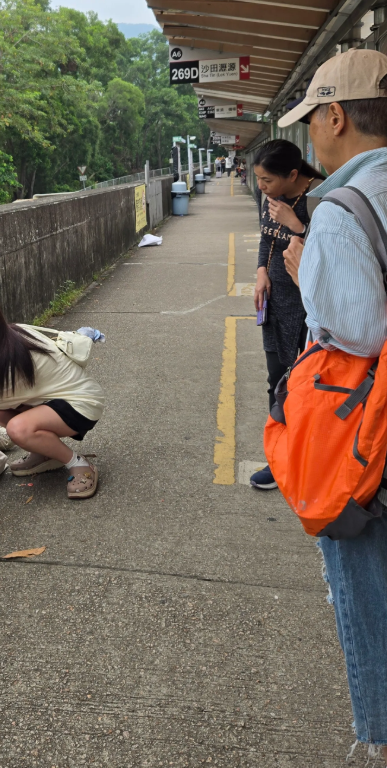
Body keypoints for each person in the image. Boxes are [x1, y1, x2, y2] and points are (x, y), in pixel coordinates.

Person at [278, 48, 387, 762]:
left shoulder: (342, 213)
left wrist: (302, 270)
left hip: (370, 445)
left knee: (369, 599)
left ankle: (377, 735)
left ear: (335, 116)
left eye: (314, 119)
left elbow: (360, 331)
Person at [0, 294, 104, 499]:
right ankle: (45, 453)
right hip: (63, 399)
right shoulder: (12, 333)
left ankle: (79, 465)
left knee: (17, 428)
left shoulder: (9, 366)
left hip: (82, 405)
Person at [250, 139, 324, 490]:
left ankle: (308, 457)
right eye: (259, 180)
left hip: (312, 310)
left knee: (310, 386)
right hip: (276, 305)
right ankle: (279, 458)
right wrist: (261, 272)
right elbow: (266, 237)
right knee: (277, 381)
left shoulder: (320, 199)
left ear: (293, 175)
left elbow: (332, 253)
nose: (262, 187)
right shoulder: (272, 198)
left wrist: (297, 225)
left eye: (267, 180)